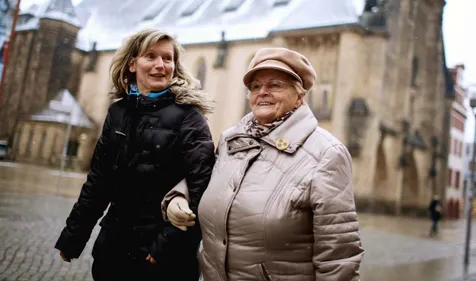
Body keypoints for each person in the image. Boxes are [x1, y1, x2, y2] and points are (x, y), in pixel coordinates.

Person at [163, 47, 365, 281]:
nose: (263, 92)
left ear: (300, 95)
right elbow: (209, 178)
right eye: (256, 87)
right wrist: (179, 196)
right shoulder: (232, 139)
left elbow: (338, 257)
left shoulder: (326, 154)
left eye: (275, 85)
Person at [54, 29, 215, 281]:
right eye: (150, 56)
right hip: (113, 247)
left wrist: (166, 243)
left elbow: (202, 187)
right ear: (132, 64)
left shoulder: (189, 117)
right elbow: (99, 181)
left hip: (162, 257)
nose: (160, 65)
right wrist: (74, 235)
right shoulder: (118, 112)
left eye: (167, 58)